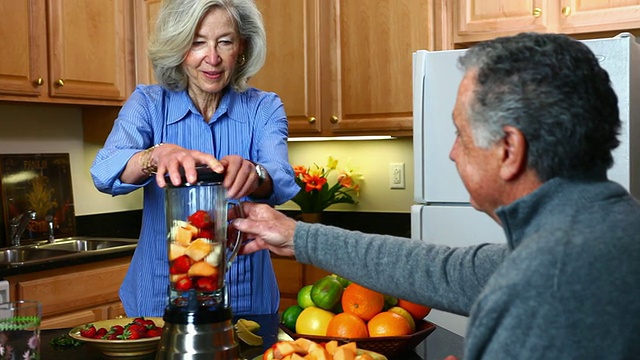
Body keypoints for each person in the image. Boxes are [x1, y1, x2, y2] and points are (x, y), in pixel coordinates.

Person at [233, 32, 640, 359]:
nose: (451, 151)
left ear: (509, 150)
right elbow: (445, 271)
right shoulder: (601, 227)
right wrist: (297, 236)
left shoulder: (543, 282)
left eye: (461, 134)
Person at [91, 0, 299, 317]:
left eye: (225, 42)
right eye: (197, 42)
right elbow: (105, 171)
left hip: (246, 298)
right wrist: (153, 156)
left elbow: (280, 179)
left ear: (241, 47)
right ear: (178, 46)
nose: (212, 58)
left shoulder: (263, 107)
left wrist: (255, 174)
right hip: (157, 298)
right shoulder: (148, 103)